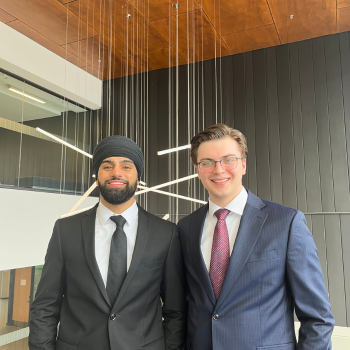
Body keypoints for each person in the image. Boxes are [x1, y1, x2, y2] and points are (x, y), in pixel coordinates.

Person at [177, 124, 334, 350]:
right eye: (207, 162)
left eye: (228, 159)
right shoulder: (186, 228)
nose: (218, 170)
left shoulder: (286, 222)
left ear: (243, 165)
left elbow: (318, 317)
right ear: (197, 169)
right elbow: (184, 307)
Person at [29, 135, 186, 350]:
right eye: (107, 165)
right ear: (97, 176)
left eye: (126, 166)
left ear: (138, 177)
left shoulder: (166, 233)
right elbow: (45, 306)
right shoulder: (65, 230)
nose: (116, 173)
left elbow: (175, 311)